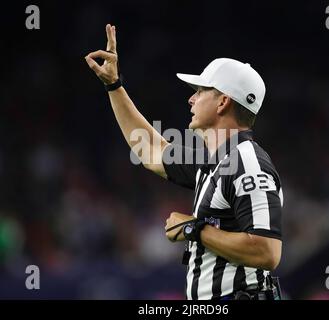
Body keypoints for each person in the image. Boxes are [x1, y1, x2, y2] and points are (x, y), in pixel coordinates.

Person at [85, 24, 283, 300]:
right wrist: (114, 85)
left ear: (223, 101)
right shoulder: (217, 161)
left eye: (200, 91)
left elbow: (267, 251)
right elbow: (150, 149)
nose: (191, 98)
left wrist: (194, 229)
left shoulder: (248, 161)